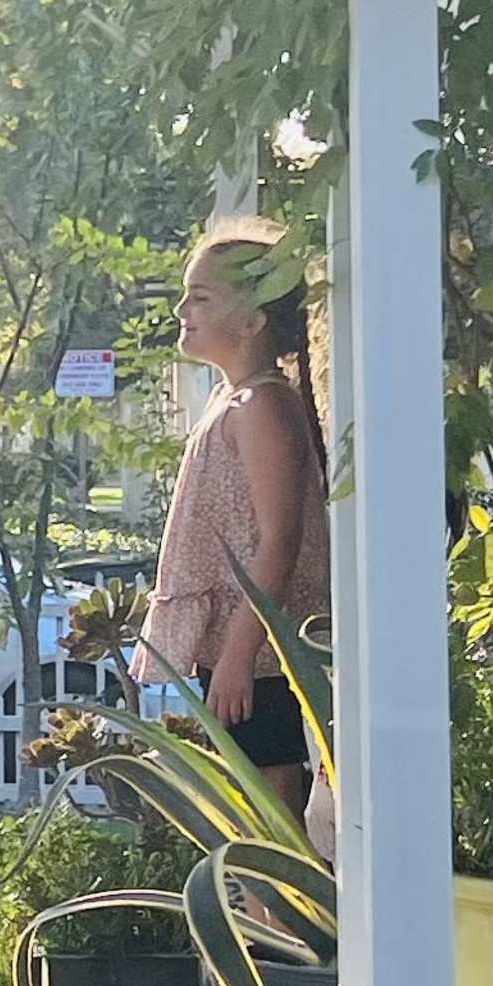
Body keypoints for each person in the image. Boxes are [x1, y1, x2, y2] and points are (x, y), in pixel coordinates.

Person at [140, 222, 335, 820]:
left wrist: (237, 656)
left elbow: (279, 540)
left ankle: (273, 917)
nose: (182, 309)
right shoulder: (233, 400)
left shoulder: (263, 406)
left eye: (200, 297)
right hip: (244, 650)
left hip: (266, 658)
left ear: (252, 321)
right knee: (249, 814)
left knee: (270, 819)